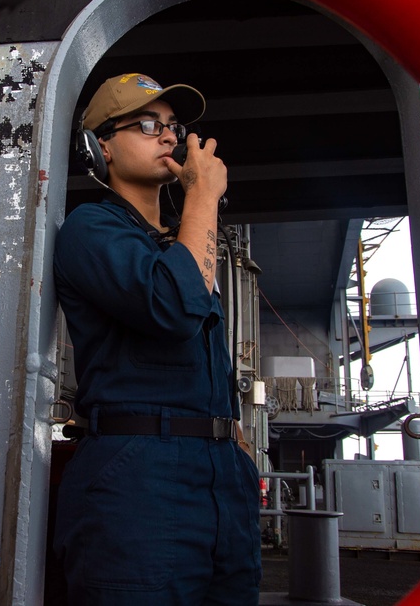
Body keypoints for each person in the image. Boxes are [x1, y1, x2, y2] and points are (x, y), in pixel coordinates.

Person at [52, 73, 262, 605]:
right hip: (139, 478)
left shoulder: (181, 241)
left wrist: (233, 441)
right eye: (147, 125)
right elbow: (171, 307)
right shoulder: (89, 228)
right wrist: (203, 196)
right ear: (101, 146)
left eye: (173, 126)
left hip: (220, 476)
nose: (169, 137)